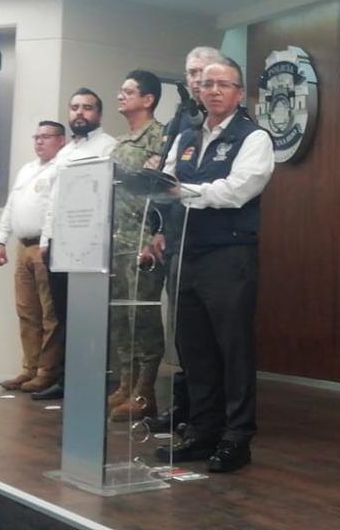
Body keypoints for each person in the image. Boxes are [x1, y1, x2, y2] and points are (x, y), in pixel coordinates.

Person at [153, 58, 274, 473]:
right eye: (207, 85)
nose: (214, 91)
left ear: (240, 93)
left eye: (224, 85)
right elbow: (163, 183)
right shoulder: (185, 136)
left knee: (232, 349)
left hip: (228, 254)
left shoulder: (253, 136)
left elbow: (239, 189)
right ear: (199, 92)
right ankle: (202, 431)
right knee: (195, 349)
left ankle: (237, 437)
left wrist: (187, 191)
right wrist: (175, 193)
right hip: (185, 253)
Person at [145, 46, 224, 435]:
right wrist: (159, 228)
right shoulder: (181, 119)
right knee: (183, 332)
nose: (194, 80)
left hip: (214, 245)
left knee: (208, 336)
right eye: (190, 73)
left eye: (201, 72)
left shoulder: (232, 123)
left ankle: (208, 413)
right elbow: (166, 181)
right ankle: (185, 404)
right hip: (177, 237)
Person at [34, 87, 119, 401]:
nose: (79, 113)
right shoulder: (65, 152)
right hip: (59, 244)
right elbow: (54, 200)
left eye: (87, 107)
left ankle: (91, 382)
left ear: (98, 114)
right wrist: (46, 239)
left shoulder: (109, 147)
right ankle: (68, 380)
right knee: (65, 315)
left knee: (89, 316)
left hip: (89, 244)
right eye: (74, 107)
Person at [106, 70, 167, 422]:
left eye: (128, 91)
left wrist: (154, 234)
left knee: (142, 316)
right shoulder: (119, 143)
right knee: (120, 317)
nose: (121, 96)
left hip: (144, 243)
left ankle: (145, 392)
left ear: (148, 99)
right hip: (117, 243)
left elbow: (164, 193)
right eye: (121, 90)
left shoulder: (159, 138)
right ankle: (126, 384)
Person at [0, 121, 68, 393]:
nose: (39, 141)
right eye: (37, 136)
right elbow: (12, 205)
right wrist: (0, 239)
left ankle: (47, 371)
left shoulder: (62, 167)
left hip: (45, 247)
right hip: (22, 247)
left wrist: (47, 242)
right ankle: (29, 367)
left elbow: (56, 209)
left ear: (61, 140)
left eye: (46, 137)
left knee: (50, 314)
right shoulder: (27, 169)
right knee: (26, 311)